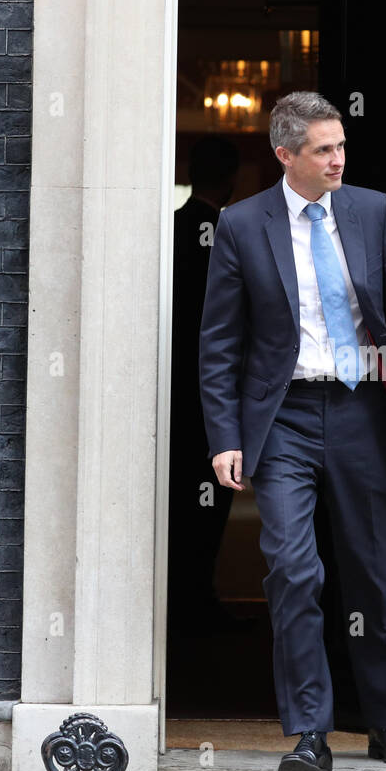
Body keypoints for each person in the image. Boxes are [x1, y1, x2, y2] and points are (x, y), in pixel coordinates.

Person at [199, 91, 386, 771]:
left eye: (342, 146)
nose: (338, 159)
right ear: (285, 155)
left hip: (360, 411)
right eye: (324, 149)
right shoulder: (241, 225)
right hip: (285, 418)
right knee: (295, 573)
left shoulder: (372, 210)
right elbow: (220, 343)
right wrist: (224, 436)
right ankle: (308, 735)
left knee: (370, 572)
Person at [168, 135, 251, 635]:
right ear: (229, 181)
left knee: (182, 495)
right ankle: (197, 594)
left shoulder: (169, 228)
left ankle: (183, 595)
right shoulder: (222, 233)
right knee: (209, 497)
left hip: (172, 381)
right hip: (210, 387)